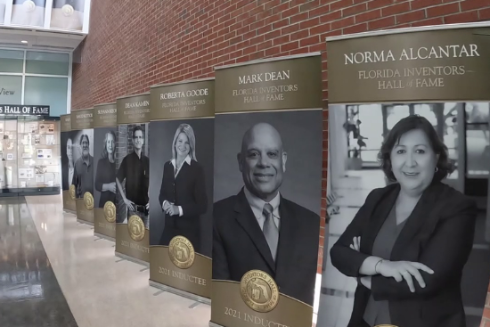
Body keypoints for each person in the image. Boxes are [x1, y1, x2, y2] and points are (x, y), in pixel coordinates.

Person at [329, 115, 478, 327]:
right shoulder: (378, 198)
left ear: (436, 157)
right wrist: (382, 266)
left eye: (419, 151)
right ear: (390, 159)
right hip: (366, 320)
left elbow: (425, 281)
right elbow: (339, 252)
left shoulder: (457, 207)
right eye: (400, 151)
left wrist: (362, 272)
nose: (410, 162)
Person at [212, 122, 320, 306]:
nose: (263, 163)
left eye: (272, 154)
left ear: (283, 161)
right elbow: (222, 299)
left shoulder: (311, 223)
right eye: (254, 154)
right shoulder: (216, 218)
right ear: (240, 161)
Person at [158, 124, 207, 252]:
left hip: (189, 233)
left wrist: (178, 210)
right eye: (180, 141)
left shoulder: (197, 169)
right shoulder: (167, 166)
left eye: (187, 142)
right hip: (169, 228)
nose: (183, 146)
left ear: (191, 146)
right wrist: (165, 204)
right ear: (175, 142)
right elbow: (161, 194)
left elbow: (203, 205)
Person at [116, 126, 149, 228]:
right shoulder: (127, 160)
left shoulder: (147, 161)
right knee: (133, 240)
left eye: (140, 137)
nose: (138, 140)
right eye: (136, 137)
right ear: (133, 141)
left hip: (146, 211)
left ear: (143, 140)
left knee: (144, 240)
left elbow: (153, 181)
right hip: (133, 211)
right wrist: (124, 199)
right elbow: (117, 178)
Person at [95, 131, 117, 208]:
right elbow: (97, 185)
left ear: (115, 144)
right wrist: (109, 187)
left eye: (112, 142)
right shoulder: (101, 162)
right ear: (106, 144)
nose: (110, 145)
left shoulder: (118, 163)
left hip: (116, 205)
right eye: (108, 142)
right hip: (104, 204)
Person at [72, 134, 93, 198]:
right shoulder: (77, 164)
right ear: (80, 145)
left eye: (86, 143)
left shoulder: (95, 161)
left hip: (95, 202)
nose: (85, 145)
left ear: (88, 145)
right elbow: (74, 186)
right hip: (82, 201)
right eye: (83, 143)